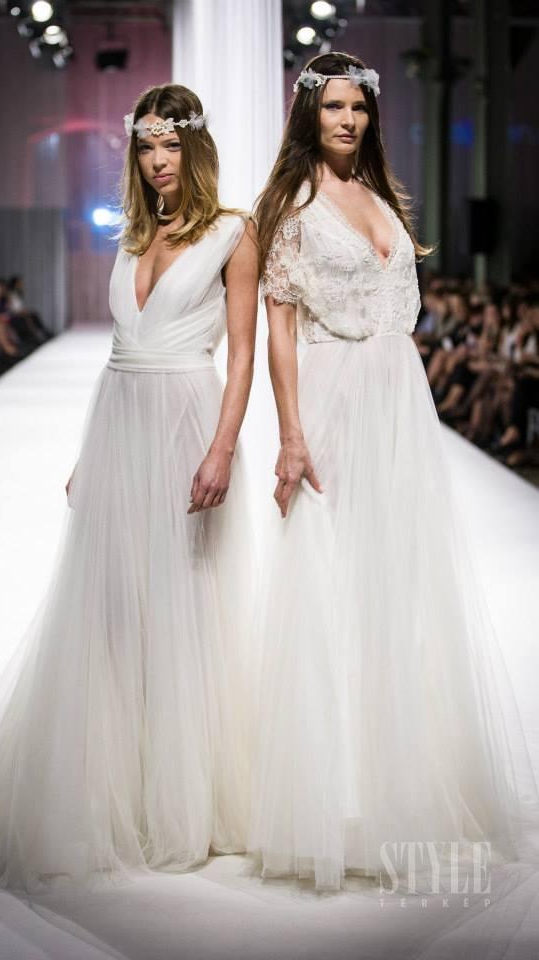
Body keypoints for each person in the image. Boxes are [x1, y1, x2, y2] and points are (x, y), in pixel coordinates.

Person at [0, 83, 259, 892]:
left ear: (196, 148)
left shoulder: (234, 233)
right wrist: (89, 453)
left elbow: (241, 353)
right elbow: (122, 352)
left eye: (171, 144)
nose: (158, 160)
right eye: (146, 145)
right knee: (115, 608)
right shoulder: (132, 236)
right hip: (120, 424)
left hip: (188, 422)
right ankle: (115, 789)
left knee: (184, 605)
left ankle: (183, 800)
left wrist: (224, 446)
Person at [246, 52, 538, 893]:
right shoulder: (291, 208)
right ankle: (328, 797)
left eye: (359, 108)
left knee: (401, 582)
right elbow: (278, 330)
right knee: (331, 583)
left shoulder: (380, 195)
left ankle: (404, 783)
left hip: (399, 398)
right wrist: (291, 435)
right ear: (308, 115)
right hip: (335, 394)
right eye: (333, 107)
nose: (348, 120)